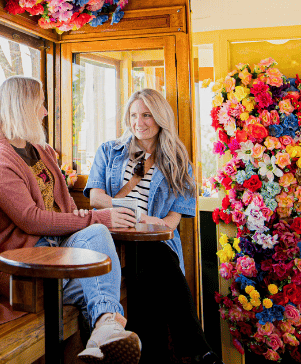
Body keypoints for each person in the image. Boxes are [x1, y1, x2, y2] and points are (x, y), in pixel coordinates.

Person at [0, 76, 142, 364]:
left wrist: (77, 215)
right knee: (101, 272)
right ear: (22, 107)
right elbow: (31, 220)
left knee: (100, 273)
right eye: (40, 105)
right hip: (24, 269)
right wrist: (93, 217)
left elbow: (60, 203)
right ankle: (106, 330)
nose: (45, 112)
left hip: (59, 253)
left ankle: (103, 332)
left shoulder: (40, 150)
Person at [85, 88, 217, 364]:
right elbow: (96, 197)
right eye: (133, 115)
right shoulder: (109, 151)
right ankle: (198, 348)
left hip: (155, 240)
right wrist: (126, 212)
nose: (139, 122)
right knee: (156, 268)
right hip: (114, 238)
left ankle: (158, 355)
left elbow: (173, 220)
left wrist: (151, 221)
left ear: (160, 118)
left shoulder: (179, 162)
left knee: (151, 278)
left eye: (146, 115)